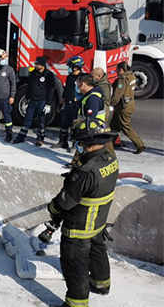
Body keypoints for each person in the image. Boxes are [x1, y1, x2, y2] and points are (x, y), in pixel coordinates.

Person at [47, 117, 118, 307]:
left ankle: (76, 303)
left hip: (79, 226)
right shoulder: (110, 159)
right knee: (97, 250)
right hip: (98, 221)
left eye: (81, 142)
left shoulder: (85, 171)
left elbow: (65, 202)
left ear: (90, 143)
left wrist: (51, 208)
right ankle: (102, 284)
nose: (79, 146)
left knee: (74, 264)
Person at [13, 56, 55, 146]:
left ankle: (40, 138)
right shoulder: (33, 74)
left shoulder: (49, 75)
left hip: (42, 101)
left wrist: (48, 104)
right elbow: (29, 87)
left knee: (41, 120)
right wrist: (27, 98)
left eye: (37, 64)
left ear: (42, 65)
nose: (36, 65)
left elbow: (51, 90)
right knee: (27, 119)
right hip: (32, 100)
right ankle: (21, 137)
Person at [110, 61, 147, 154]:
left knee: (125, 127)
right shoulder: (132, 76)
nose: (116, 71)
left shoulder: (122, 79)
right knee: (113, 126)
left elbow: (117, 94)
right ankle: (109, 146)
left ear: (121, 70)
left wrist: (110, 103)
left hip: (123, 106)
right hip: (130, 103)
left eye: (117, 70)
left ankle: (140, 144)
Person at [53, 56, 85, 149]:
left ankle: (74, 145)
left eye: (70, 66)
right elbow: (66, 90)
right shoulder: (69, 77)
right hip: (68, 104)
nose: (69, 68)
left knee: (75, 125)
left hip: (77, 105)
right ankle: (62, 142)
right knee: (63, 123)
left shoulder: (83, 78)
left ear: (75, 67)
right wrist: (61, 102)